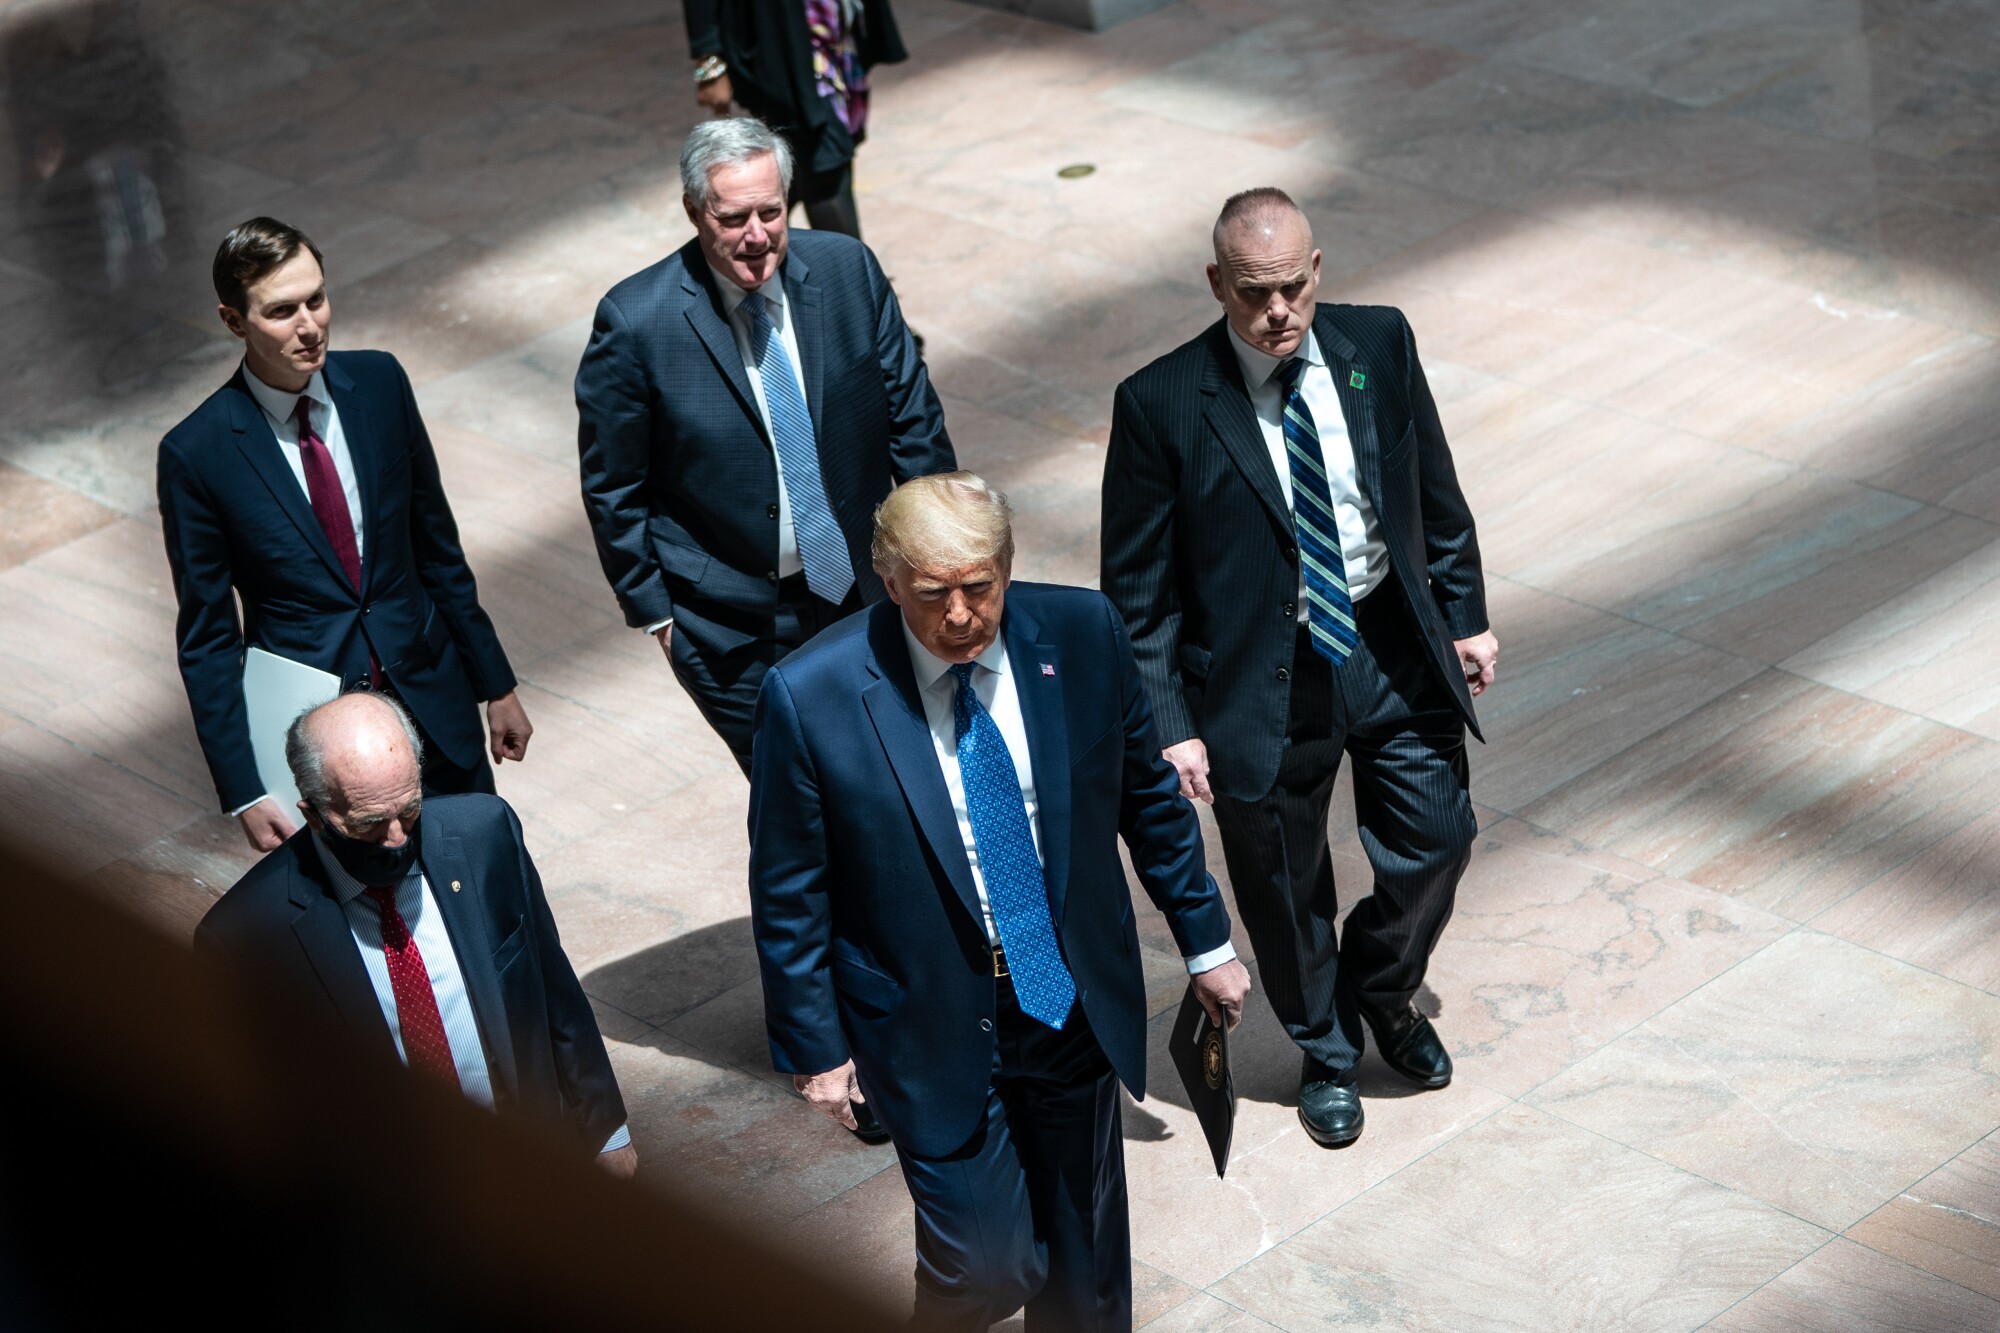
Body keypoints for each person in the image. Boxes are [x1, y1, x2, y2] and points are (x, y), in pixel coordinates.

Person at [749, 473, 1252, 1330]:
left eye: (979, 587)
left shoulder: (1083, 632)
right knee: (985, 1266)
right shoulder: (812, 694)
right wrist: (816, 1046)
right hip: (925, 1012)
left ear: (1008, 568)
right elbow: (790, 887)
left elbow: (1148, 800)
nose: (959, 616)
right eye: (934, 592)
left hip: (1062, 993)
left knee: (1084, 1270)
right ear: (887, 575)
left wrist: (1206, 944)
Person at [1100, 189, 1499, 1150]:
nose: (1277, 312)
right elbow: (1137, 590)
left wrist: (1467, 617)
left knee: (1439, 837)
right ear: (1216, 284)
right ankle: (1325, 1048)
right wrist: (1169, 721)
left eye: (1291, 288)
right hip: (1253, 679)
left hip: (1388, 642)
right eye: (1253, 294)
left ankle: (1384, 983)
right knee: (1281, 881)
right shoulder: (1160, 403)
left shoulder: (1381, 345)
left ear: (1317, 271)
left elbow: (1433, 493)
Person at [575, 115, 953, 783]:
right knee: (799, 805)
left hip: (867, 593)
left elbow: (913, 422)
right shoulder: (637, 322)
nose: (757, 236)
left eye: (771, 212)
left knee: (907, 776)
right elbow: (614, 486)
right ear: (695, 211)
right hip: (732, 632)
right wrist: (658, 618)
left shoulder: (847, 272)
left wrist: (943, 554)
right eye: (733, 217)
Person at [158, 217, 532, 854]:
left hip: (434, 706)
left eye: (317, 299)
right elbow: (208, 638)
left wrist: (494, 684)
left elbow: (437, 550)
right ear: (233, 321)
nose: (309, 325)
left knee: (489, 885)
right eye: (281, 311)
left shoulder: (381, 384)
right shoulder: (199, 453)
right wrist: (247, 788)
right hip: (322, 742)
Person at [194, 692, 635, 1175]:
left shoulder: (485, 833)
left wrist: (607, 1132)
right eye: (369, 824)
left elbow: (553, 988)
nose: (398, 839)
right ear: (315, 816)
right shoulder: (244, 934)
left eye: (409, 810)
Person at [684, 0, 907, 239]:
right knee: (825, 163)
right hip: (786, 45)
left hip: (835, 36)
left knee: (802, 166)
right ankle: (848, 273)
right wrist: (709, 60)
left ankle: (775, 263)